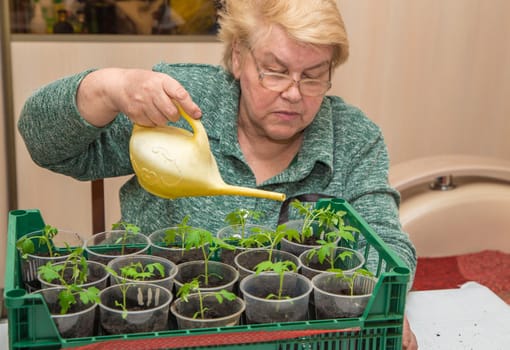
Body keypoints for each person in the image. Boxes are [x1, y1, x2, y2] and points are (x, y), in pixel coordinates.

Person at [18, 0, 417, 348]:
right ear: (239, 56)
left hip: (288, 334)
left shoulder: (352, 137)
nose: (294, 93)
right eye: (275, 71)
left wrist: (383, 301)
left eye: (313, 75)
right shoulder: (180, 105)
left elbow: (384, 240)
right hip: (144, 320)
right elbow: (45, 144)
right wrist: (105, 88)